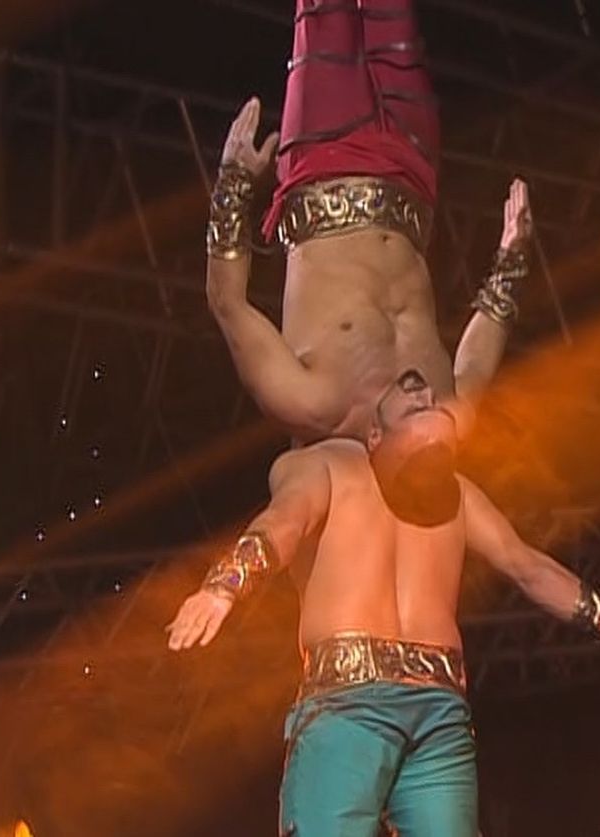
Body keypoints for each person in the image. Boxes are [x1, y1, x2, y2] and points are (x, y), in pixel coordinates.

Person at [166, 369, 600, 837]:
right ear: (374, 435)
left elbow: (528, 567)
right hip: (349, 709)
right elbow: (285, 521)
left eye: (431, 402)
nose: (425, 395)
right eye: (412, 400)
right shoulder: (326, 466)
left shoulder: (458, 495)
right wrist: (226, 584)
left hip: (439, 717)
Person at [205, 0, 531, 522]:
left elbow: (227, 303)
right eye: (436, 411)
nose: (426, 397)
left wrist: (234, 183)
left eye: (416, 414)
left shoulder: (310, 402)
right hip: (411, 169)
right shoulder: (447, 415)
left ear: (377, 438)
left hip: (322, 160)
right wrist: (511, 258)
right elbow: (478, 352)